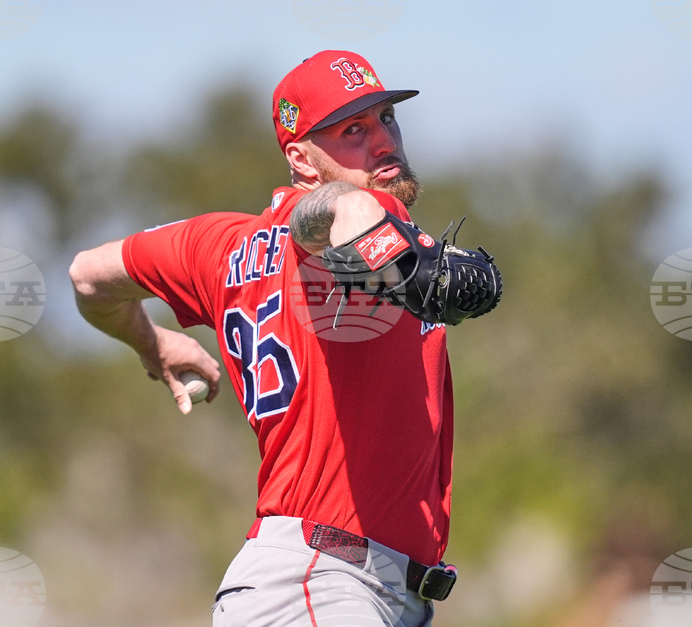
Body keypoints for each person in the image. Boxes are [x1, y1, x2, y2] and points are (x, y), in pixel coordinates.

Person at [70, 50, 480, 626]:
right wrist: (400, 260)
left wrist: (150, 342)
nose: (383, 140)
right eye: (352, 130)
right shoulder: (360, 212)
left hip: (341, 589)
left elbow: (87, 276)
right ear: (301, 158)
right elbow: (340, 210)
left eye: (385, 117)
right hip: (320, 581)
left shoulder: (216, 244)